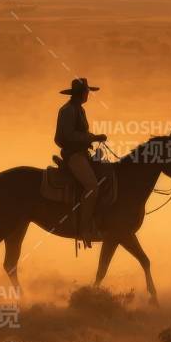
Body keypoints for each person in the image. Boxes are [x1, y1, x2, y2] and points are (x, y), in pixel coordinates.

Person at [55, 78, 107, 246]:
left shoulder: (79, 110)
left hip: (82, 154)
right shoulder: (68, 111)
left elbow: (79, 133)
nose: (88, 95)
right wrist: (93, 137)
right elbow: (67, 136)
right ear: (81, 94)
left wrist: (90, 140)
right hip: (74, 156)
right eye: (87, 92)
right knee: (92, 186)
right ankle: (84, 228)